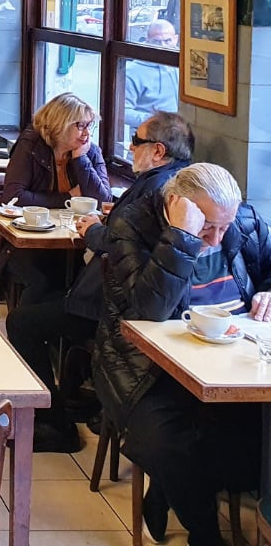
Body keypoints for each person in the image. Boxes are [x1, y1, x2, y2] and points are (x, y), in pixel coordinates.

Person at [95, 163, 271, 546]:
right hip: (145, 368)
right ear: (178, 205)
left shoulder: (244, 220)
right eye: (207, 226)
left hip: (235, 360)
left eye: (224, 228)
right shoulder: (133, 226)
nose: (217, 239)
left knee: (254, 438)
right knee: (169, 441)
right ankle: (205, 534)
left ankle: (162, 494)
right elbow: (150, 311)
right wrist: (181, 238)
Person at [5, 111, 193, 452]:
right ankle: (61, 398)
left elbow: (122, 245)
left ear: (158, 151)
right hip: (122, 298)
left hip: (116, 310)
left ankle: (56, 424)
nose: (131, 147)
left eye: (136, 142)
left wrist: (94, 230)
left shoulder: (156, 190)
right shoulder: (170, 183)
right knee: (38, 293)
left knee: (21, 321)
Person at [0, 92, 111, 311]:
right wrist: (68, 198)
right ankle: (28, 330)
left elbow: (102, 200)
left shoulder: (88, 150)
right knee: (45, 280)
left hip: (70, 243)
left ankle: (57, 336)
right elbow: (13, 197)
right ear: (60, 124)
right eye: (80, 126)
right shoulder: (31, 144)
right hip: (24, 242)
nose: (86, 134)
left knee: (88, 279)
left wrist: (81, 160)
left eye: (89, 126)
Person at [124, 19, 179, 127]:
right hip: (149, 134)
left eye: (167, 41)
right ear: (147, 40)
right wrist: (157, 121)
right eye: (157, 41)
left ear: (175, 39)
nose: (162, 46)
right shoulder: (132, 72)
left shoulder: (182, 65)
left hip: (179, 133)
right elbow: (123, 112)